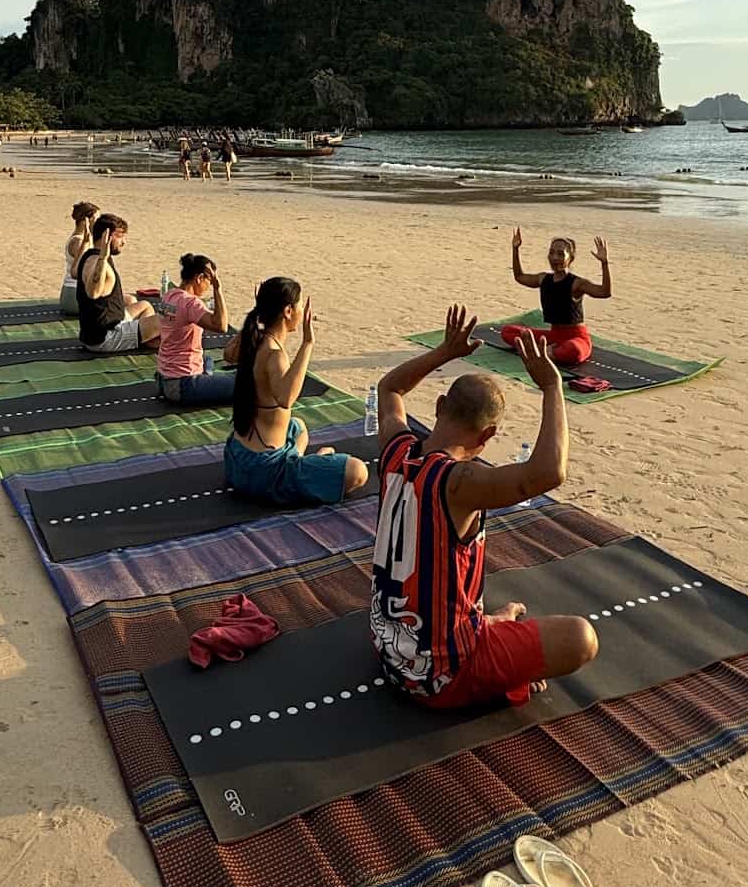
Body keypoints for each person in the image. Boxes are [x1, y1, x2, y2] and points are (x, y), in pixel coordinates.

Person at [371, 306, 598, 709]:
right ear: (489, 434)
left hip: (392, 652)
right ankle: (498, 667)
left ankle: (486, 628)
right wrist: (552, 387)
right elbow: (548, 473)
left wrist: (443, 353)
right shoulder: (458, 483)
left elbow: (389, 389)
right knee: (582, 638)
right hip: (441, 677)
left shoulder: (397, 452)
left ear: (439, 406)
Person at [224, 277, 369, 505]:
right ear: (288, 311)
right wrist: (307, 344)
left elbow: (228, 354)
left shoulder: (254, 339)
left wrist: (257, 313)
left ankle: (297, 460)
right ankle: (300, 466)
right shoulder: (274, 354)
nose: (303, 311)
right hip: (265, 473)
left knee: (299, 427)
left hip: (236, 458)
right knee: (358, 471)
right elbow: (286, 399)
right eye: (300, 305)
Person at [501, 229, 611, 365]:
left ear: (570, 258)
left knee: (574, 351)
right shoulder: (543, 279)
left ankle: (546, 352)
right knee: (508, 331)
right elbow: (520, 277)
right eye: (552, 253)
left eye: (560, 254)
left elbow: (604, 292)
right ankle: (548, 352)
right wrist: (515, 249)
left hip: (576, 338)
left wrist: (604, 263)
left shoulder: (577, 283)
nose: (555, 258)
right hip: (554, 336)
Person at [155, 254, 234, 404]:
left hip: (164, 377)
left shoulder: (168, 296)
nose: (208, 287)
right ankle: (205, 382)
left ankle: (206, 380)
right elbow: (222, 326)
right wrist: (218, 289)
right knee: (241, 382)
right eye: (208, 282)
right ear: (199, 278)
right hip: (183, 384)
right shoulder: (191, 303)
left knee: (207, 360)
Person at [76, 213, 159, 352]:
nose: (123, 242)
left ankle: (144, 339)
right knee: (162, 322)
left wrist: (86, 243)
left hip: (97, 331)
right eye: (120, 237)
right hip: (106, 337)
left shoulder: (89, 254)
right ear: (106, 236)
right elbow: (93, 292)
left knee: (144, 305)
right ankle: (144, 341)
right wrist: (103, 257)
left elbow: (74, 273)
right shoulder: (99, 261)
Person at [60, 200, 99, 314]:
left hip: (75, 292)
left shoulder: (82, 240)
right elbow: (79, 271)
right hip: (75, 294)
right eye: (96, 219)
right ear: (86, 221)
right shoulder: (78, 242)